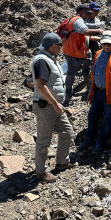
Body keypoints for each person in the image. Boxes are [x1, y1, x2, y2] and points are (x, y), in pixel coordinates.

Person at [31, 33, 75, 183]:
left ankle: (62, 162)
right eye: (59, 46)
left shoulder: (50, 59)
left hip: (53, 105)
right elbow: (41, 85)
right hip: (46, 106)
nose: (61, 49)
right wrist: (55, 104)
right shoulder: (42, 61)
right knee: (44, 140)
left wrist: (57, 103)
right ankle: (41, 172)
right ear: (53, 46)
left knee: (67, 131)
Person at [79, 30, 111, 154]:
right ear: (101, 43)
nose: (106, 46)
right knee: (92, 116)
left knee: (108, 119)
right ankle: (89, 139)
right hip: (98, 92)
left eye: (109, 44)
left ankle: (99, 144)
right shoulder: (98, 54)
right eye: (104, 44)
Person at [63, 4, 103, 105]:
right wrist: (99, 31)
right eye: (87, 13)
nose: (88, 15)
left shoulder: (75, 20)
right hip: (74, 52)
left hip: (76, 50)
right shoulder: (78, 20)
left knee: (85, 66)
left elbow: (84, 37)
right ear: (82, 12)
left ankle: (87, 83)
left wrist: (98, 38)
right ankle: (68, 95)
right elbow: (86, 31)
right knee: (71, 73)